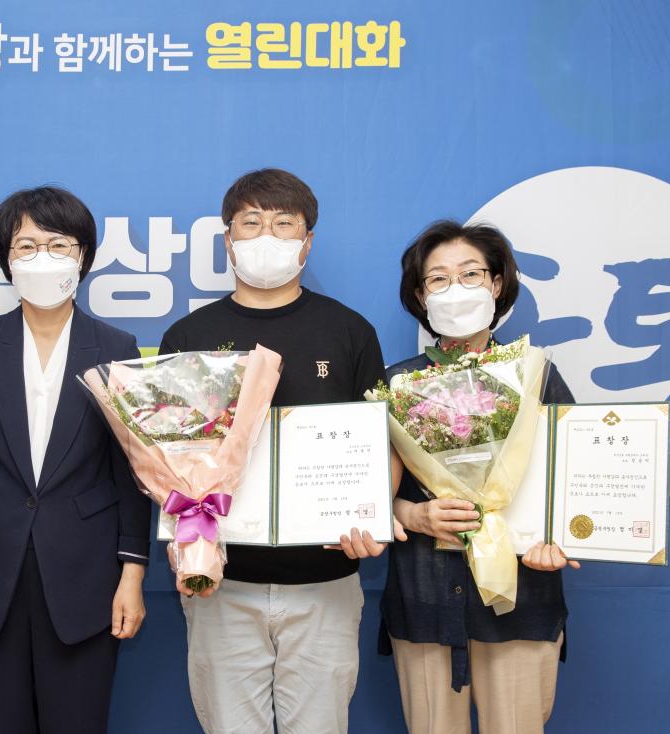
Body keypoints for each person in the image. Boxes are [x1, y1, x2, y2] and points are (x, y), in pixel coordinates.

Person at [158, 168, 401, 734]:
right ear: (228, 239)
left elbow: (383, 443)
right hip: (222, 583)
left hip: (325, 582)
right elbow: (166, 455)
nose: (267, 236)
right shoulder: (188, 337)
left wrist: (371, 516)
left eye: (284, 224)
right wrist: (188, 534)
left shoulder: (349, 331)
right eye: (251, 223)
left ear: (307, 241)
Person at [0, 186, 151, 734]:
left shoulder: (116, 346)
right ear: (6, 259)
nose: (41, 258)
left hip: (87, 576)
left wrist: (132, 575)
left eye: (58, 245)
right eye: (26, 246)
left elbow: (130, 472)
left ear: (83, 257)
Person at [380, 220, 579, 734]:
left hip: (521, 599)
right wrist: (416, 515)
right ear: (421, 296)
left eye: (470, 274)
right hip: (425, 599)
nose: (456, 288)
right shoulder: (396, 385)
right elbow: (367, 499)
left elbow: (573, 482)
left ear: (496, 283)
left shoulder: (537, 376)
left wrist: (556, 537)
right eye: (438, 279)